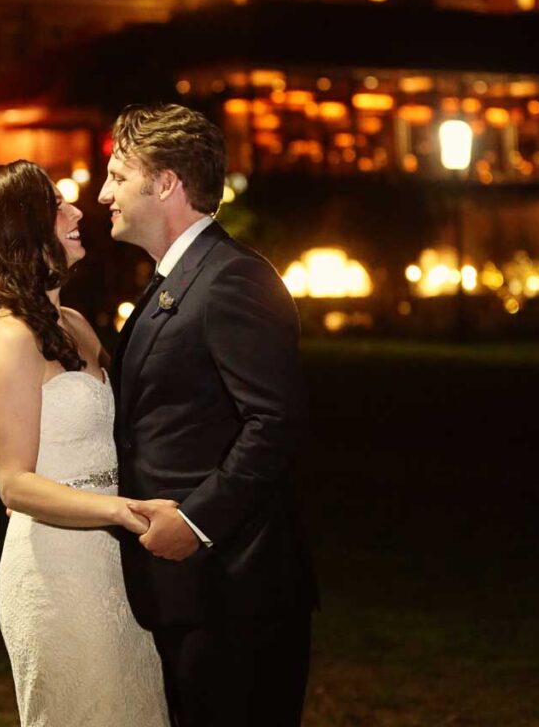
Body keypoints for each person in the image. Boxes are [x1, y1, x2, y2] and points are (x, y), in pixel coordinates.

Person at [98, 103, 318, 727]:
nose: (103, 192)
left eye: (117, 175)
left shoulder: (231, 280)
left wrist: (195, 523)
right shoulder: (177, 278)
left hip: (236, 596)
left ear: (165, 183)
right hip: (191, 596)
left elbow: (275, 423)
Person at [0, 159, 170, 727]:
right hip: (56, 570)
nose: (77, 211)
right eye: (56, 206)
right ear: (20, 229)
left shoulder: (72, 323)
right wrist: (118, 509)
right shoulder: (10, 337)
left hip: (115, 564)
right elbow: (13, 482)